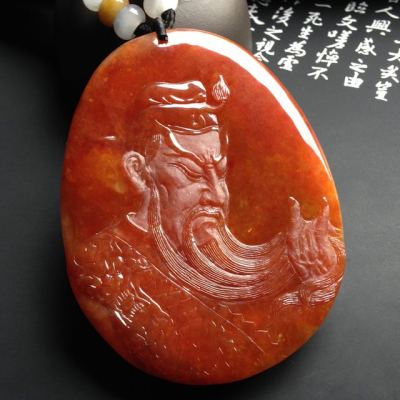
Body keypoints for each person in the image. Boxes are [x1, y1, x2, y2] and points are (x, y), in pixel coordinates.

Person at [70, 76, 345, 380]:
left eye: (221, 174)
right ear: (138, 170)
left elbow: (261, 333)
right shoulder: (102, 266)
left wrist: (314, 287)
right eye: (191, 173)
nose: (218, 195)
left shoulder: (209, 255)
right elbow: (208, 354)